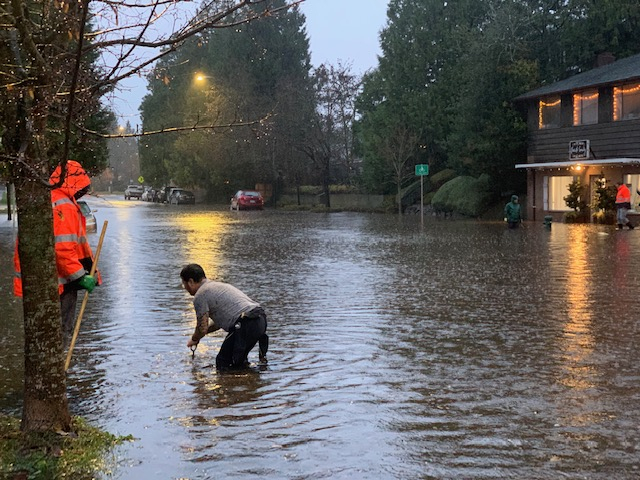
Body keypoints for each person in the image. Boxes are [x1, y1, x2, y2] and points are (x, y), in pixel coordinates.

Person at [13, 160, 101, 337]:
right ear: (75, 183)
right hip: (60, 285)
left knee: (43, 334)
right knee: (58, 334)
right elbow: (62, 250)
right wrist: (81, 277)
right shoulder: (64, 206)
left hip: (44, 282)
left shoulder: (49, 198)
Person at [181, 263, 268, 370]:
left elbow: (202, 328)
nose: (184, 287)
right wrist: (198, 336)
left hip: (246, 323)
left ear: (190, 281)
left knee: (223, 362)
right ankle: (247, 383)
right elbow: (218, 324)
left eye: (184, 284)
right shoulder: (217, 286)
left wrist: (195, 338)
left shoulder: (200, 295)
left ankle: (233, 384)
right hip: (260, 319)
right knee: (238, 362)